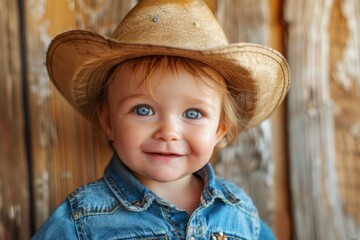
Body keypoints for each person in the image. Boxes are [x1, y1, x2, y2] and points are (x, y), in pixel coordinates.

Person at [33, 0, 289, 239]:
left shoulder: (238, 211)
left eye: (193, 114)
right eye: (143, 110)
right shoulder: (82, 220)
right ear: (108, 122)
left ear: (219, 129)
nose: (168, 132)